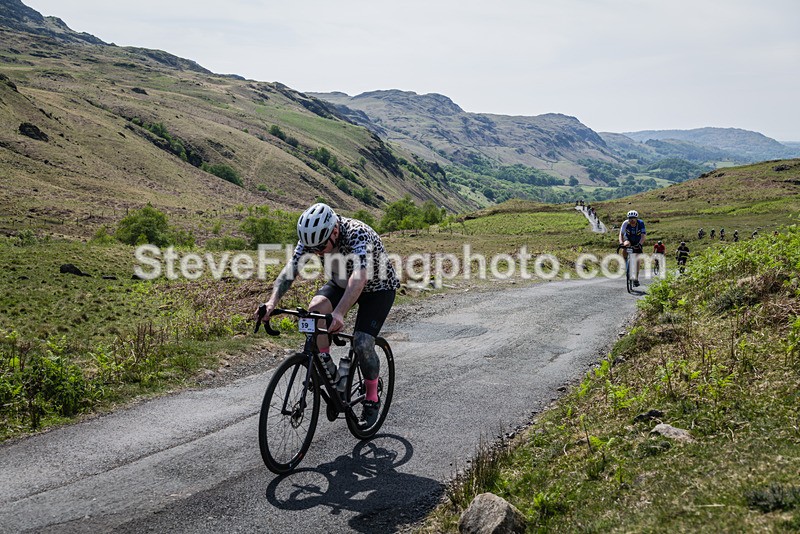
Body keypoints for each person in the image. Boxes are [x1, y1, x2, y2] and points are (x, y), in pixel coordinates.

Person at [258, 203, 400, 428]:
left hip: (378, 289)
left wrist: (339, 313)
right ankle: (327, 367)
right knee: (314, 311)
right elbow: (290, 270)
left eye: (321, 247)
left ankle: (372, 397)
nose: (316, 252)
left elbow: (359, 277)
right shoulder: (314, 238)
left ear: (334, 231)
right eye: (312, 248)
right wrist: (271, 303)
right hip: (342, 283)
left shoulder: (358, 234)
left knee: (362, 342)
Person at [618, 210, 646, 286]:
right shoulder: (625, 223)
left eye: (634, 218)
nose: (632, 220)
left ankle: (636, 278)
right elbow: (621, 234)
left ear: (637, 218)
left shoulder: (641, 223)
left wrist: (640, 244)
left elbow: (643, 236)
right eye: (630, 218)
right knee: (625, 245)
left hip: (637, 241)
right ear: (628, 219)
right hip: (628, 239)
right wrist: (621, 243)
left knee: (637, 259)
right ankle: (625, 262)